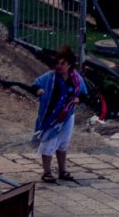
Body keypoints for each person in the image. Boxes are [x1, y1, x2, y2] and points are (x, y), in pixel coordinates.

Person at [31, 44, 85, 185]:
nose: (59, 66)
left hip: (67, 116)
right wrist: (39, 91)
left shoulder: (76, 78)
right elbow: (35, 85)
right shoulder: (50, 77)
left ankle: (62, 170)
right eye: (57, 63)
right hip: (51, 117)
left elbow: (84, 94)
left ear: (69, 65)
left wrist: (78, 99)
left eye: (63, 63)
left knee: (63, 143)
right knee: (49, 142)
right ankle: (47, 172)